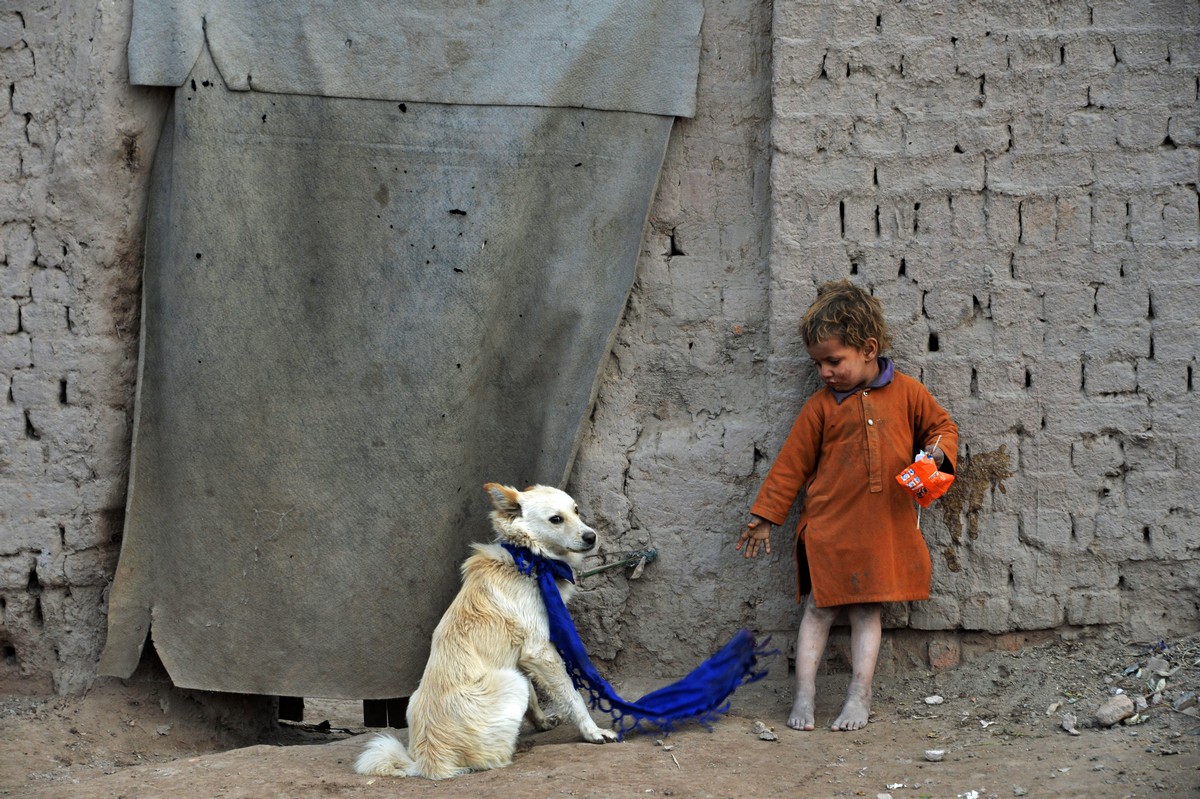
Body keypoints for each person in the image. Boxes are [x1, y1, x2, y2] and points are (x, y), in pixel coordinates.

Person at [736, 279, 957, 732]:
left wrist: (935, 453)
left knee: (866, 611)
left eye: (833, 361)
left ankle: (860, 693)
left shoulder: (909, 393)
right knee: (817, 609)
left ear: (869, 348)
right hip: (829, 529)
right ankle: (805, 693)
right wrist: (764, 517)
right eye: (818, 364)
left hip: (880, 529)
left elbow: (942, 427)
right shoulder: (820, 408)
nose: (824, 372)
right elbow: (790, 465)